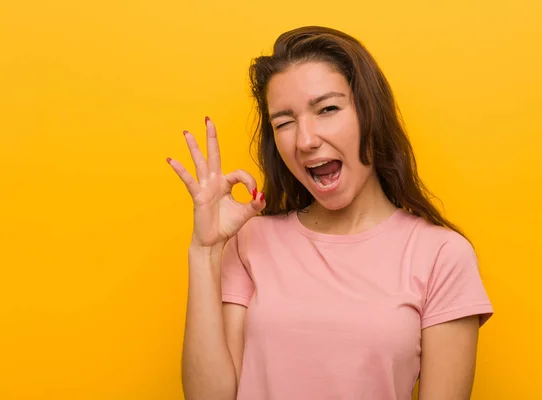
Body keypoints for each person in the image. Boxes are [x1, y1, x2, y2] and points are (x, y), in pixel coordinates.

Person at [168, 26, 493, 400]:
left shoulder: (441, 256)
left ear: (371, 115)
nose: (305, 140)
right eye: (284, 122)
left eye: (328, 109)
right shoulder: (251, 241)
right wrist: (205, 250)